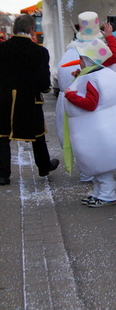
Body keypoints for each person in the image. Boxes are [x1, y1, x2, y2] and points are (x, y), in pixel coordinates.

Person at [63, 38, 116, 207]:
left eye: (82, 59)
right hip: (96, 129)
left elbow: (90, 103)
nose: (79, 62)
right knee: (96, 166)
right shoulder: (100, 74)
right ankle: (98, 193)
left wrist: (70, 94)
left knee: (100, 166)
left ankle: (107, 194)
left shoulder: (93, 78)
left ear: (89, 60)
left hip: (94, 131)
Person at [56, 11, 116, 182]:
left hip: (77, 99)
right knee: (97, 137)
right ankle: (100, 176)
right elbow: (114, 56)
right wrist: (109, 37)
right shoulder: (96, 48)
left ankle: (87, 171)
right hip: (95, 101)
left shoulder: (71, 48)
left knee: (81, 136)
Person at [0, 14, 61, 185]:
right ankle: (43, 166)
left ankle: (2, 174)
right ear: (32, 30)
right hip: (28, 101)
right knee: (38, 135)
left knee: (3, 136)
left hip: (4, 99)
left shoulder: (2, 48)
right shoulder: (39, 51)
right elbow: (43, 84)